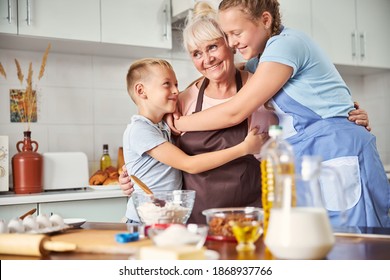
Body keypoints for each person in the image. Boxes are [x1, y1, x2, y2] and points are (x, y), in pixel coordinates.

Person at [172, 0, 389, 228]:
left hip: (335, 153)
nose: (233, 44)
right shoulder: (259, 61)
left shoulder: (285, 46)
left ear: (265, 20)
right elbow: (222, 72)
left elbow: (234, 111)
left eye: (235, 33)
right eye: (228, 36)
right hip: (309, 160)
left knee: (355, 246)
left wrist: (180, 121)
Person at [123, 58, 266, 224]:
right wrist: (244, 148)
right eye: (167, 84)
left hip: (167, 217)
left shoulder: (162, 126)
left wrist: (237, 67)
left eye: (176, 84)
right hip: (145, 219)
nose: (176, 91)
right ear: (141, 91)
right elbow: (189, 164)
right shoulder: (141, 130)